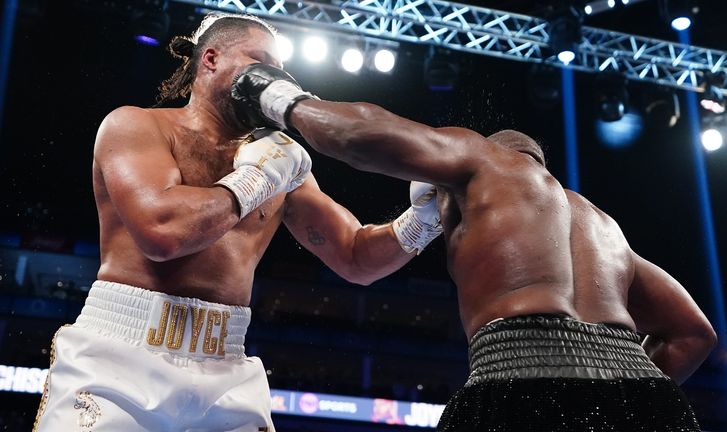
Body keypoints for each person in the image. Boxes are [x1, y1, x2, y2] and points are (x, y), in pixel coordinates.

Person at [226, 63, 719, 431]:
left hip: (522, 382)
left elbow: (360, 135)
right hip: (647, 396)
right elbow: (693, 335)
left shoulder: (486, 163)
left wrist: (277, 96)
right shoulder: (605, 228)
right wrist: (618, 393)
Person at [33, 13, 443, 432]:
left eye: (281, 71)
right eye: (260, 62)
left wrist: (424, 219)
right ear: (210, 59)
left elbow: (356, 258)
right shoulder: (137, 126)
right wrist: (256, 180)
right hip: (120, 355)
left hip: (225, 371)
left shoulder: (282, 165)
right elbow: (163, 233)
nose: (275, 80)